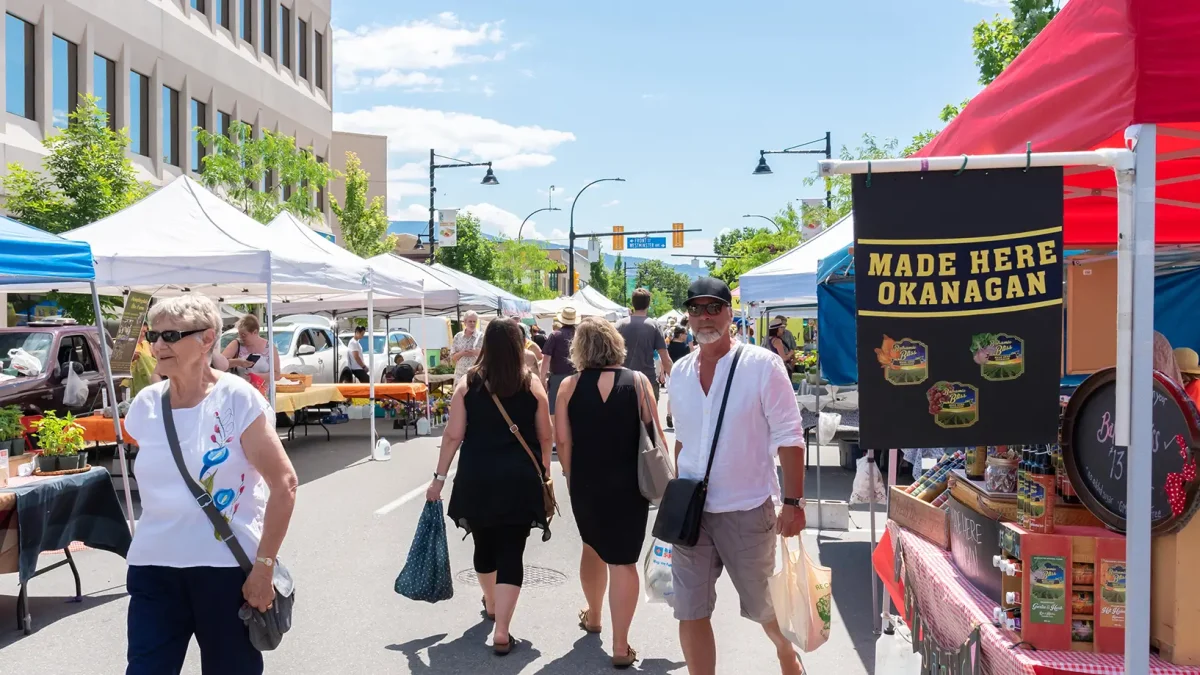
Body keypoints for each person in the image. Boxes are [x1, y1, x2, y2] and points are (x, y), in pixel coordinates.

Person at [123, 294, 299, 675]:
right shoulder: (146, 405)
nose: (158, 345)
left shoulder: (237, 399)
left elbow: (284, 484)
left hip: (223, 573)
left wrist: (264, 569)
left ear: (207, 339)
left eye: (171, 334)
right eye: (154, 334)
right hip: (154, 567)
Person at [668, 277, 806, 675]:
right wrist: (678, 496)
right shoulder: (679, 372)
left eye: (714, 307)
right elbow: (684, 440)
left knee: (765, 607)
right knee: (689, 610)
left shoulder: (761, 365)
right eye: (696, 308)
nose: (705, 316)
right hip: (692, 514)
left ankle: (784, 650)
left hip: (748, 508)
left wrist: (794, 504)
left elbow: (789, 436)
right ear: (688, 316)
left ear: (731, 313)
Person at [426, 318, 554, 655]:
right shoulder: (532, 384)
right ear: (517, 347)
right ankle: (502, 630)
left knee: (483, 544)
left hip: (476, 476)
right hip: (519, 478)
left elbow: (453, 435)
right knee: (513, 549)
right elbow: (545, 435)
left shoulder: (468, 384)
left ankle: (491, 602)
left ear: (485, 347)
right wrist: (545, 471)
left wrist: (438, 479)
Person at [555, 318, 663, 668]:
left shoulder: (569, 386)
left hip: (586, 481)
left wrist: (572, 477)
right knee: (623, 560)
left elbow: (563, 441)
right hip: (631, 483)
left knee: (591, 546)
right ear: (617, 344)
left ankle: (595, 615)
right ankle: (620, 645)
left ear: (580, 349)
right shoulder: (639, 382)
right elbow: (656, 436)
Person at [616, 288, 673, 402]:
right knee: (649, 418)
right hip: (648, 381)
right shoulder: (654, 326)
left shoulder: (619, 325)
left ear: (632, 303)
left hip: (622, 381)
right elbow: (665, 359)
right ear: (648, 304)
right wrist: (677, 379)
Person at [221, 314, 281, 397]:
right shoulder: (237, 344)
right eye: (239, 334)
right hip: (242, 394)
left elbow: (277, 374)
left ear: (255, 332)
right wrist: (238, 362)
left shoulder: (269, 347)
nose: (241, 337)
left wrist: (255, 377)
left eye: (244, 335)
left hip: (264, 395)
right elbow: (220, 364)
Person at [540, 307, 579, 415]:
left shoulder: (555, 335)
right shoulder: (580, 336)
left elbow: (546, 360)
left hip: (558, 378)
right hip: (577, 377)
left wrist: (542, 380)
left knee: (555, 411)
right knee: (574, 411)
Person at [665, 326, 691, 429]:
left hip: (669, 372)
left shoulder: (669, 346)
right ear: (680, 335)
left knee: (670, 394)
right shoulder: (685, 348)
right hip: (682, 373)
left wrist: (662, 373)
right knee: (682, 395)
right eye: (685, 334)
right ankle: (679, 417)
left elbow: (665, 360)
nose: (686, 336)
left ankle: (669, 414)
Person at [451, 311, 484, 386]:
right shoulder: (458, 336)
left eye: (474, 321)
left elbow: (487, 356)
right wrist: (462, 353)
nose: (472, 324)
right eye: (470, 321)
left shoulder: (481, 337)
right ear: (465, 322)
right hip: (460, 375)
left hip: (476, 376)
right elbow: (453, 358)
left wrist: (475, 352)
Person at [130, 322, 160, 397]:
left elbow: (156, 359)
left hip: (146, 381)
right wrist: (131, 358)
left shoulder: (147, 344)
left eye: (145, 332)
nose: (143, 334)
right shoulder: (128, 345)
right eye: (140, 331)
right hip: (130, 382)